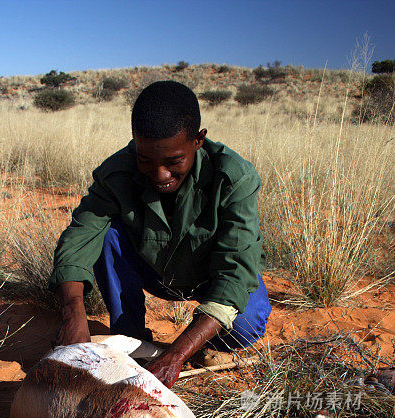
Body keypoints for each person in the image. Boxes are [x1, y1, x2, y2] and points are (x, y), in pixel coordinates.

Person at [49, 80, 271, 388]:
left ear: (198, 140)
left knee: (246, 322)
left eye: (173, 161)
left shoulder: (234, 178)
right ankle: (131, 337)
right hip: (155, 274)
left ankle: (205, 347)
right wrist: (73, 312)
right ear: (135, 143)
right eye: (145, 160)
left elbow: (236, 273)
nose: (160, 175)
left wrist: (175, 356)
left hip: (211, 281)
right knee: (106, 234)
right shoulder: (117, 173)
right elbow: (79, 237)